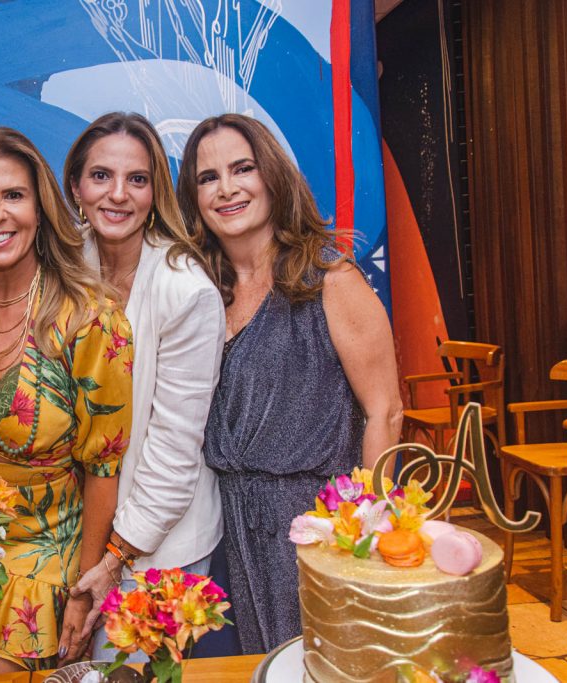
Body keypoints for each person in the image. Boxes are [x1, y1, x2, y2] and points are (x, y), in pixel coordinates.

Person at [176, 114, 403, 654]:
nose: (227, 188)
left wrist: (364, 536)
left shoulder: (330, 277)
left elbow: (385, 412)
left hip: (315, 527)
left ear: (272, 176)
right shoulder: (198, 289)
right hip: (225, 530)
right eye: (208, 178)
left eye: (242, 168)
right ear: (193, 196)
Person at [0, 126, 133, 674]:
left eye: (13, 196)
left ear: (41, 208)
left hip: (47, 559)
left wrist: (83, 588)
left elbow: (104, 465)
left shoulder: (91, 318)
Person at [61, 112, 225, 660]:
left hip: (155, 550)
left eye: (137, 179)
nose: (118, 194)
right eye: (101, 176)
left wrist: (112, 563)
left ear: (156, 191)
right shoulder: (66, 266)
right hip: (78, 536)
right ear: (76, 186)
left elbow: (175, 453)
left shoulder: (185, 289)